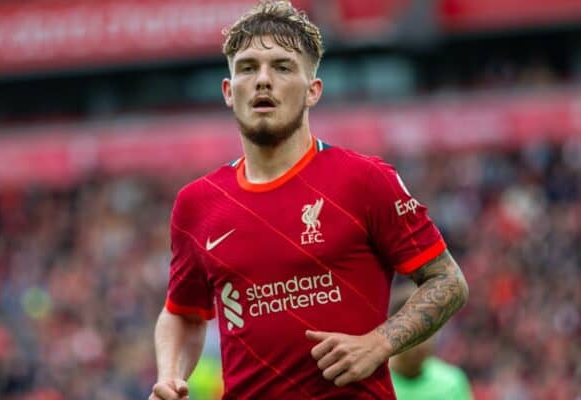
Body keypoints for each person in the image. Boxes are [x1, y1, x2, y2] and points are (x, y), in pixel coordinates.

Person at [149, 1, 469, 399]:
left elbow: (448, 281)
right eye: (248, 68)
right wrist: (170, 376)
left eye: (282, 67)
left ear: (313, 90)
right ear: (229, 92)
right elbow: (183, 314)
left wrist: (379, 343)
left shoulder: (364, 180)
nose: (263, 80)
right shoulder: (197, 203)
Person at [389, 283, 473, 400]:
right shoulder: (375, 383)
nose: (422, 344)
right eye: (413, 335)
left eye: (427, 334)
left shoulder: (452, 382)